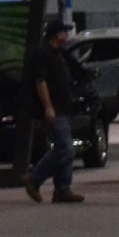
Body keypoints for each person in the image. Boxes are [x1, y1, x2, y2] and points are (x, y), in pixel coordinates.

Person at [26, 20, 86, 204]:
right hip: (54, 109)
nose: (66, 36)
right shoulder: (42, 53)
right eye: (64, 33)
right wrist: (48, 107)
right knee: (64, 148)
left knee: (66, 149)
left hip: (64, 107)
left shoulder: (59, 54)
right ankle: (34, 179)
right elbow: (40, 82)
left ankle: (62, 189)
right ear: (55, 35)